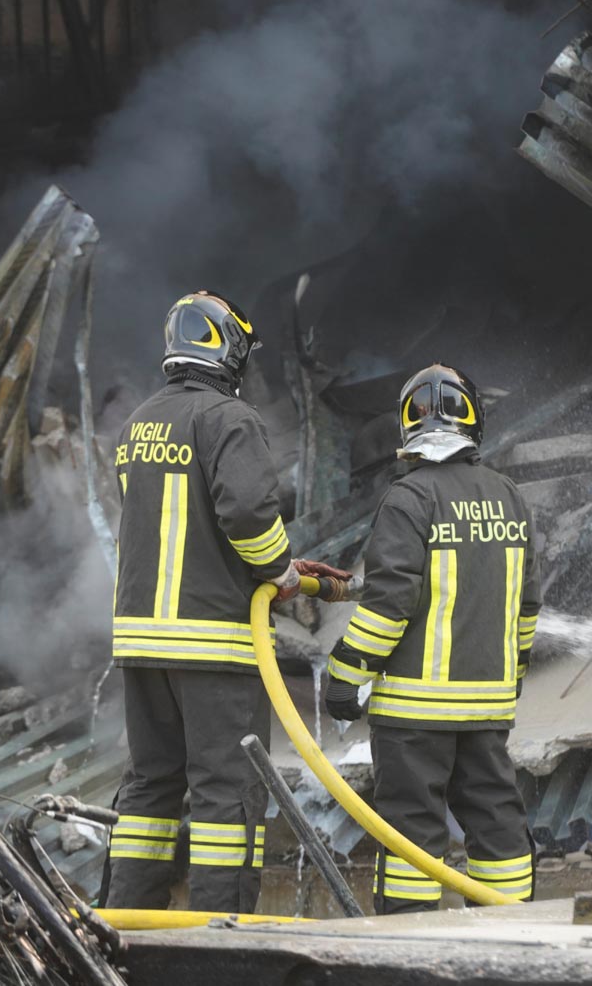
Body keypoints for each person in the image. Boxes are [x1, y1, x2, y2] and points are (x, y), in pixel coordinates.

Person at [105, 290, 334, 913]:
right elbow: (248, 515)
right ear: (228, 348)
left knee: (150, 787)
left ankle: (128, 926)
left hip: (141, 646)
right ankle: (218, 937)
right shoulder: (229, 420)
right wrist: (283, 573)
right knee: (225, 796)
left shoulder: (139, 424)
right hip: (210, 645)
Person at [317, 363, 542, 913]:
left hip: (415, 715)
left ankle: (410, 940)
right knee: (496, 818)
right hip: (487, 708)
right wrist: (509, 682)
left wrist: (345, 678)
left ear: (407, 428)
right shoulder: (509, 498)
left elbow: (388, 606)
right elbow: (527, 607)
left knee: (412, 828)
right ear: (473, 421)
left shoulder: (408, 499)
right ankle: (511, 933)